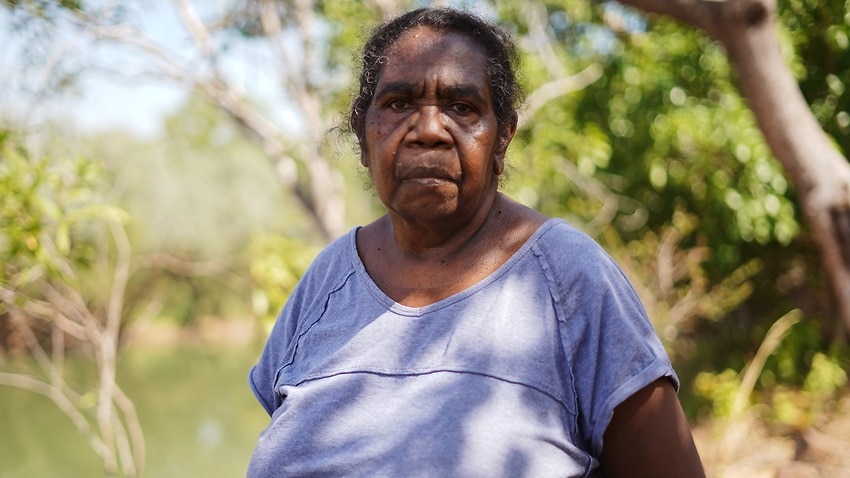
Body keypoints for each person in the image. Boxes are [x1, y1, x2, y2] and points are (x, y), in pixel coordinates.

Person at [247, 6, 706, 478]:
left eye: (461, 107)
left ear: (501, 140)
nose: (428, 131)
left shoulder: (571, 280)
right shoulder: (327, 281)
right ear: (364, 138)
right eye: (399, 103)